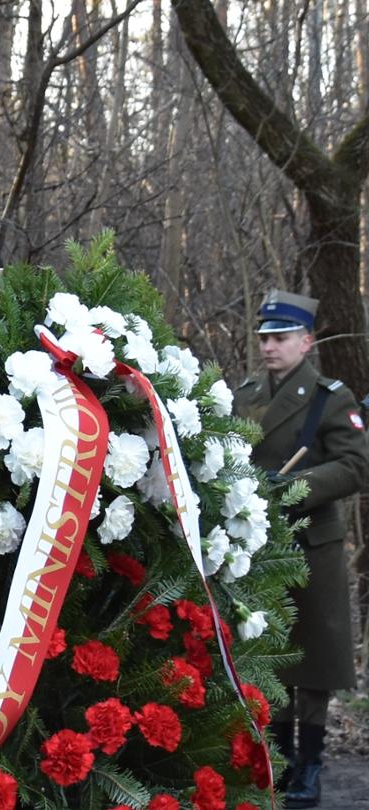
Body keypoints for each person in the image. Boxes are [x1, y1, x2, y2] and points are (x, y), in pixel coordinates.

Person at [234, 290, 369, 808]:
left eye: (281, 338)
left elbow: (355, 466)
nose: (269, 346)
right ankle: (281, 759)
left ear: (306, 342)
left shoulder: (330, 397)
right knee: (271, 651)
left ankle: (310, 764)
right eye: (264, 338)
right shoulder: (246, 394)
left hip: (312, 543)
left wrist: (293, 487)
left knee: (312, 658)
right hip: (257, 541)